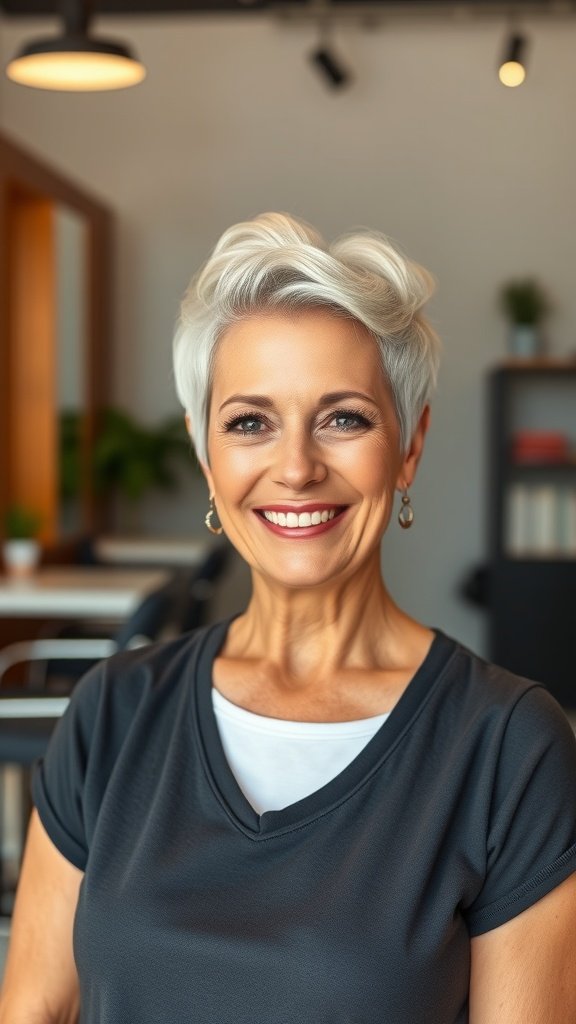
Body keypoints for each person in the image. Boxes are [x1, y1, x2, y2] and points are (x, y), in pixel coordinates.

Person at [1, 213, 575, 1024]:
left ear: (408, 446)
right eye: (249, 422)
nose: (297, 467)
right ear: (208, 457)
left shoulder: (506, 746)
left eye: (344, 417)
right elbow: (34, 1011)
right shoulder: (112, 714)